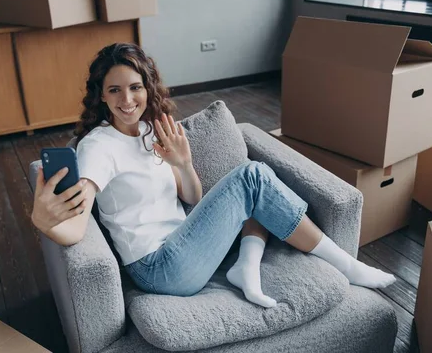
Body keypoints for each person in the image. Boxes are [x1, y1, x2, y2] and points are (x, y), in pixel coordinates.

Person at [31, 43, 396, 308]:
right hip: (158, 269)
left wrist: (182, 162)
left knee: (257, 192)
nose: (127, 99)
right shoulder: (98, 146)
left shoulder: (151, 131)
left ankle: (246, 267)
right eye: (114, 90)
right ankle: (347, 266)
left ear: (147, 88)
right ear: (101, 96)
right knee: (253, 176)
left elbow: (191, 198)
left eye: (135, 87)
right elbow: (77, 226)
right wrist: (44, 221)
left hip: (184, 246)